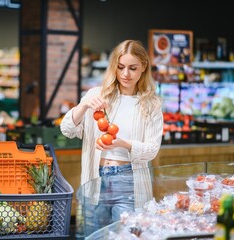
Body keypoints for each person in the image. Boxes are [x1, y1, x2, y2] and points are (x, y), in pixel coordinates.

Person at [60, 39, 163, 236]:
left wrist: (123, 143)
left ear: (143, 67)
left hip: (129, 182)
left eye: (132, 68)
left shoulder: (151, 104)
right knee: (93, 236)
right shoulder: (96, 95)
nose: (125, 74)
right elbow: (67, 129)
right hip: (95, 179)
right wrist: (83, 106)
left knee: (127, 236)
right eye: (121, 67)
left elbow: (152, 150)